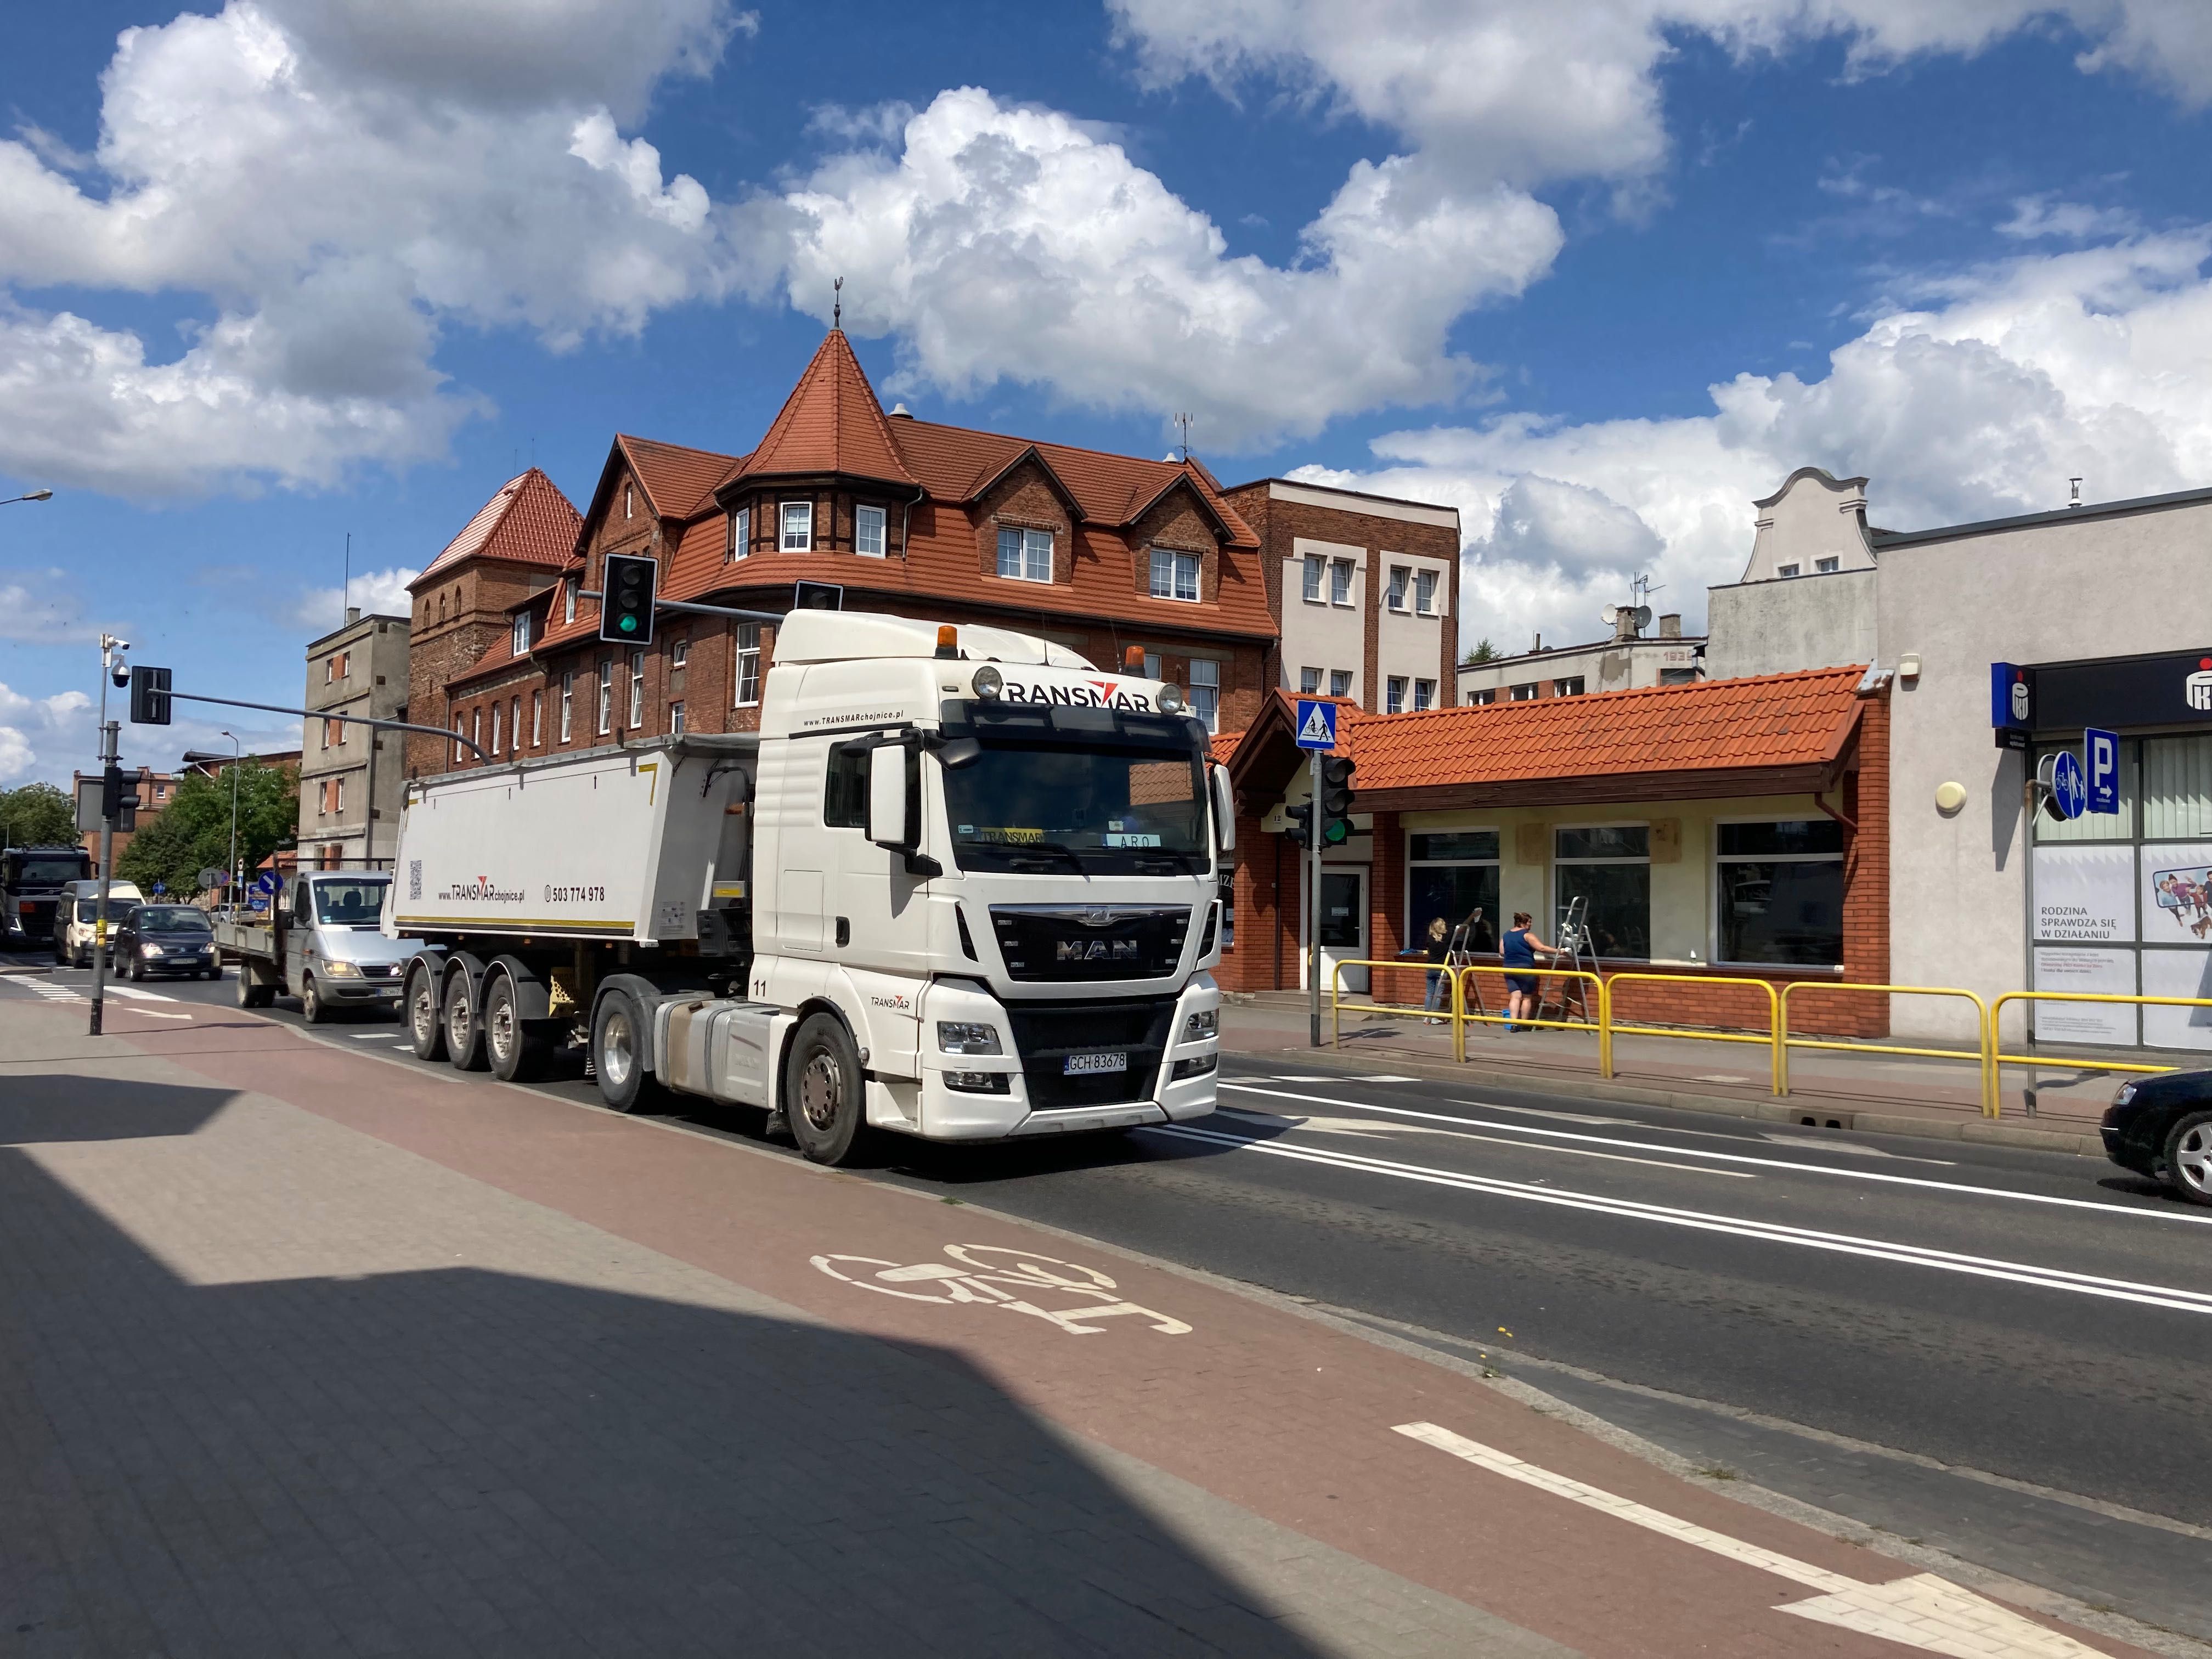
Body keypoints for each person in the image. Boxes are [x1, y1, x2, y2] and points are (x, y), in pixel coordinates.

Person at [1502, 911, 1556, 1032]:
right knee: (1526, 997)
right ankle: (1525, 1024)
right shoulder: (1527, 935)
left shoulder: (1506, 935)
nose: (1531, 925)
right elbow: (1541, 948)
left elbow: (1502, 951)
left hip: (1508, 968)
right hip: (1525, 968)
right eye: (1530, 922)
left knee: (1515, 996)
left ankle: (1514, 1024)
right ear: (1523, 923)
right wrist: (1559, 951)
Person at [1420, 916, 1452, 1023]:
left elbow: (1429, 951)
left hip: (1430, 968)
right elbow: (1457, 931)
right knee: (1438, 994)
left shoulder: (1429, 938)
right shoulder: (1446, 938)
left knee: (1429, 993)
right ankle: (1433, 1017)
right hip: (1441, 968)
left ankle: (1427, 1016)